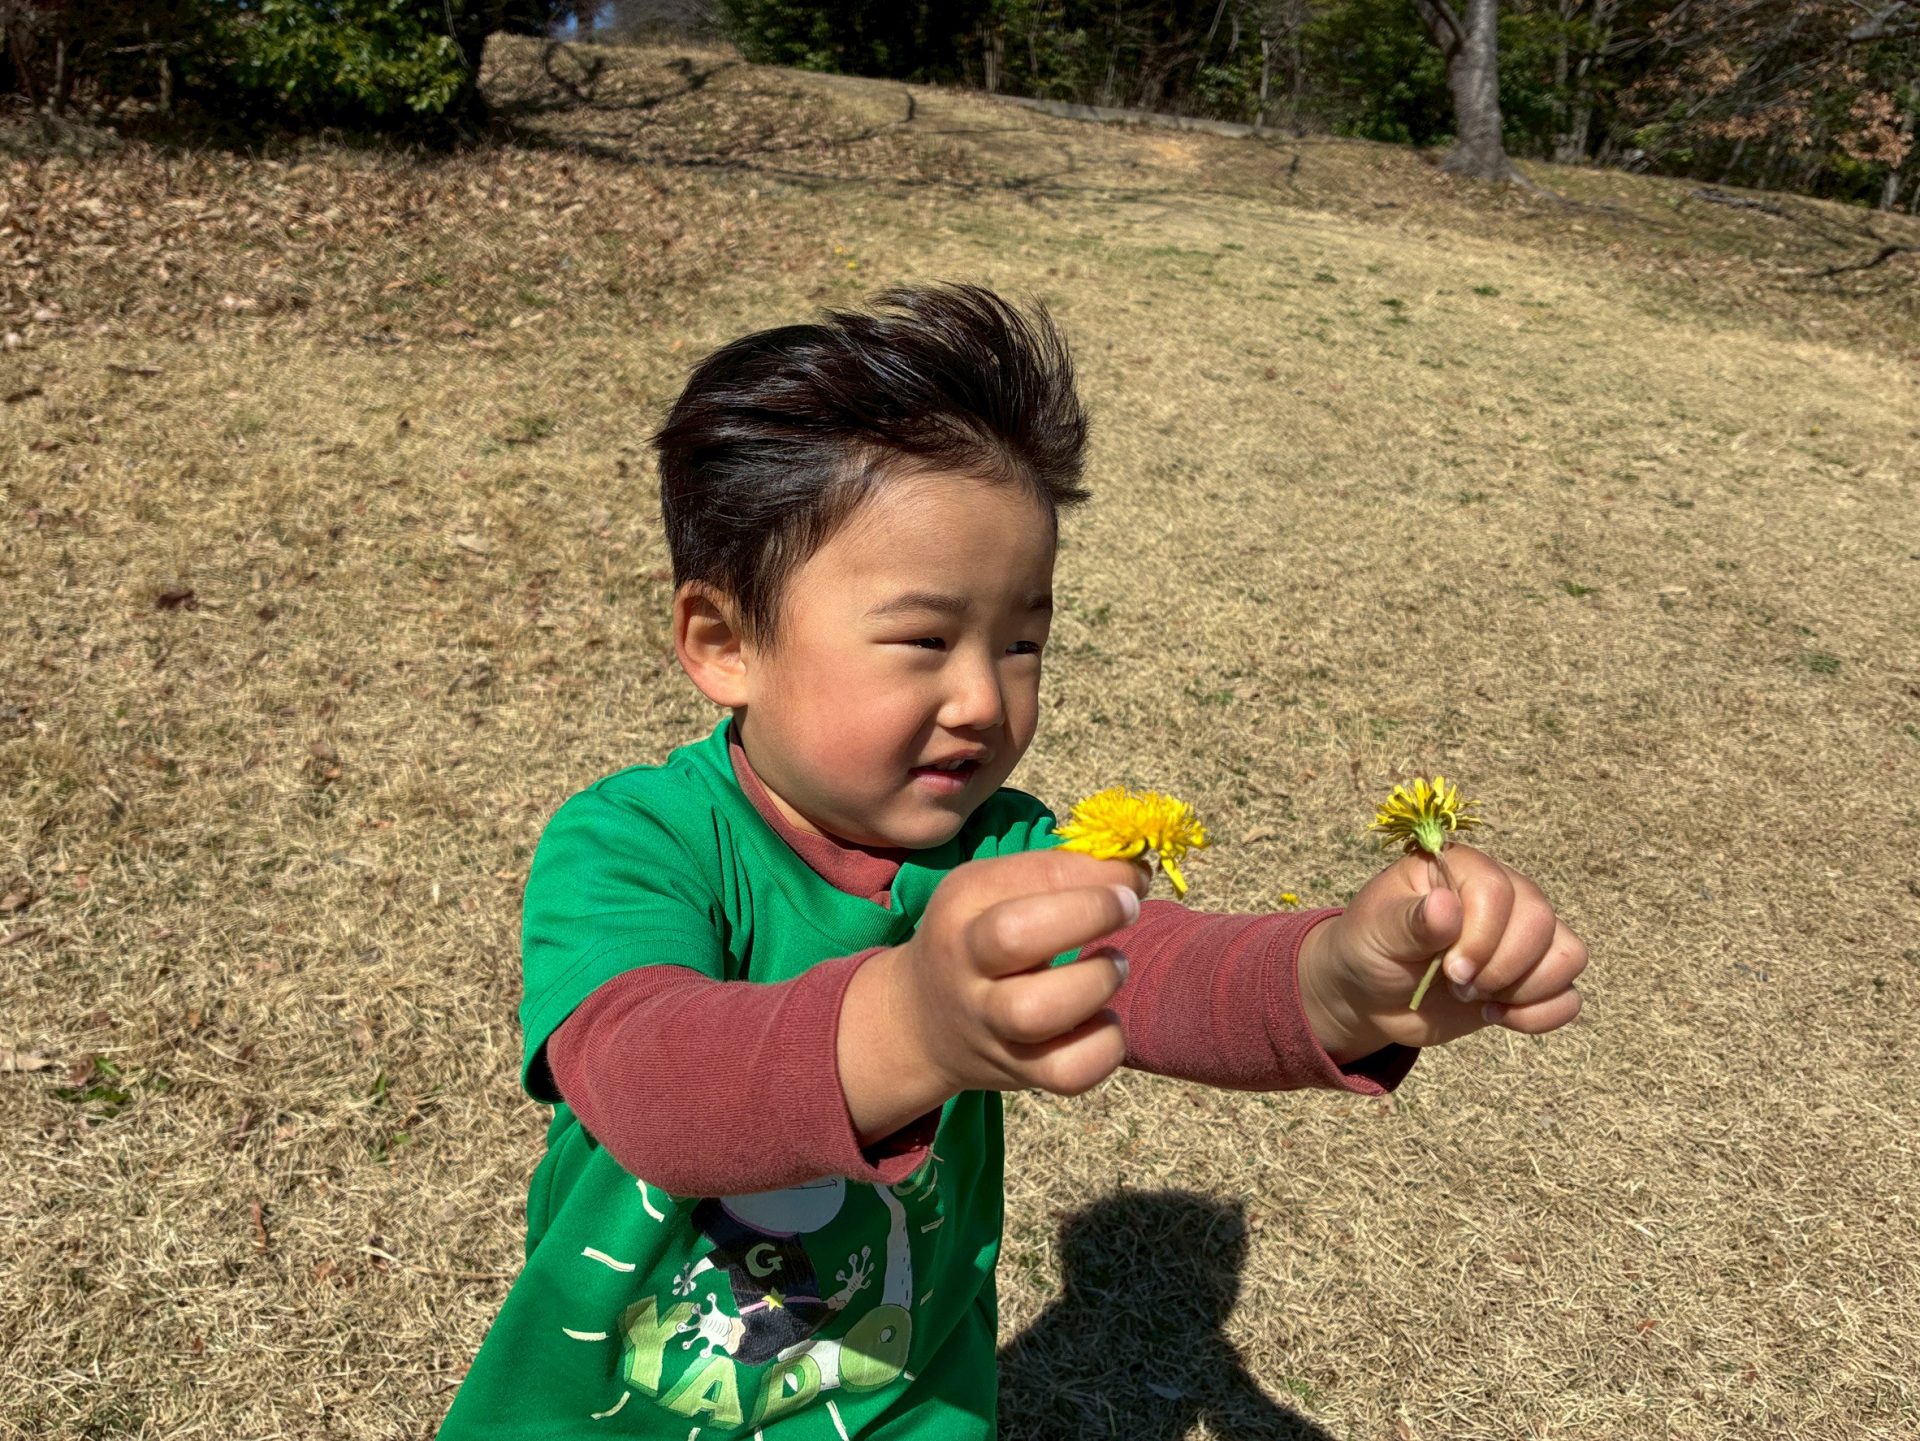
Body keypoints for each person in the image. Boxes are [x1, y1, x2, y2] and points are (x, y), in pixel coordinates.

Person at [437, 285, 1588, 1439]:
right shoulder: (636, 843)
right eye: (925, 639)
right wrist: (911, 1026)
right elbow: (647, 1081)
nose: (985, 699)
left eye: (1022, 640)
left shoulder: (1003, 845)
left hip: (902, 1403)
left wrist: (1338, 981)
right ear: (726, 642)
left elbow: (1160, 967)